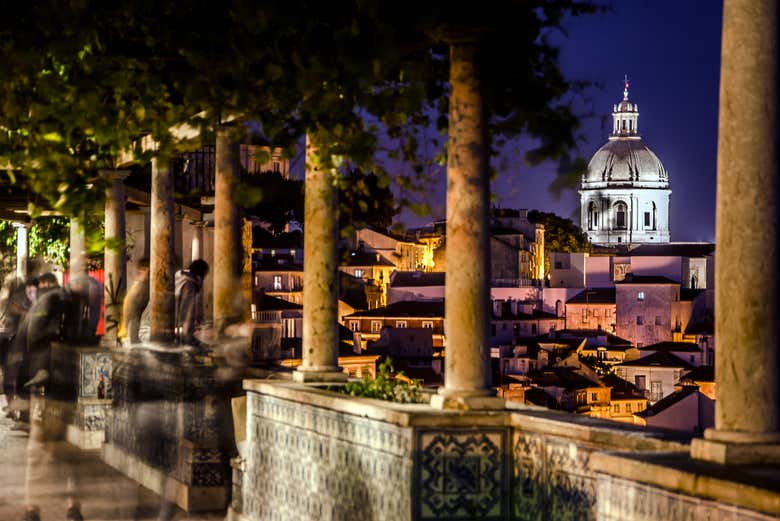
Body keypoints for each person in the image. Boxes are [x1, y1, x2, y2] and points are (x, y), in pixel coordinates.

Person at [175, 259, 209, 350]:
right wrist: (190, 341)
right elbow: (187, 314)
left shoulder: (178, 278)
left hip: (148, 327)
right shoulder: (189, 284)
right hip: (168, 333)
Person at [118, 258, 150, 346]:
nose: (142, 272)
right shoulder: (139, 286)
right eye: (142, 269)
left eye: (144, 270)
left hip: (133, 331)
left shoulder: (142, 287)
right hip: (129, 330)